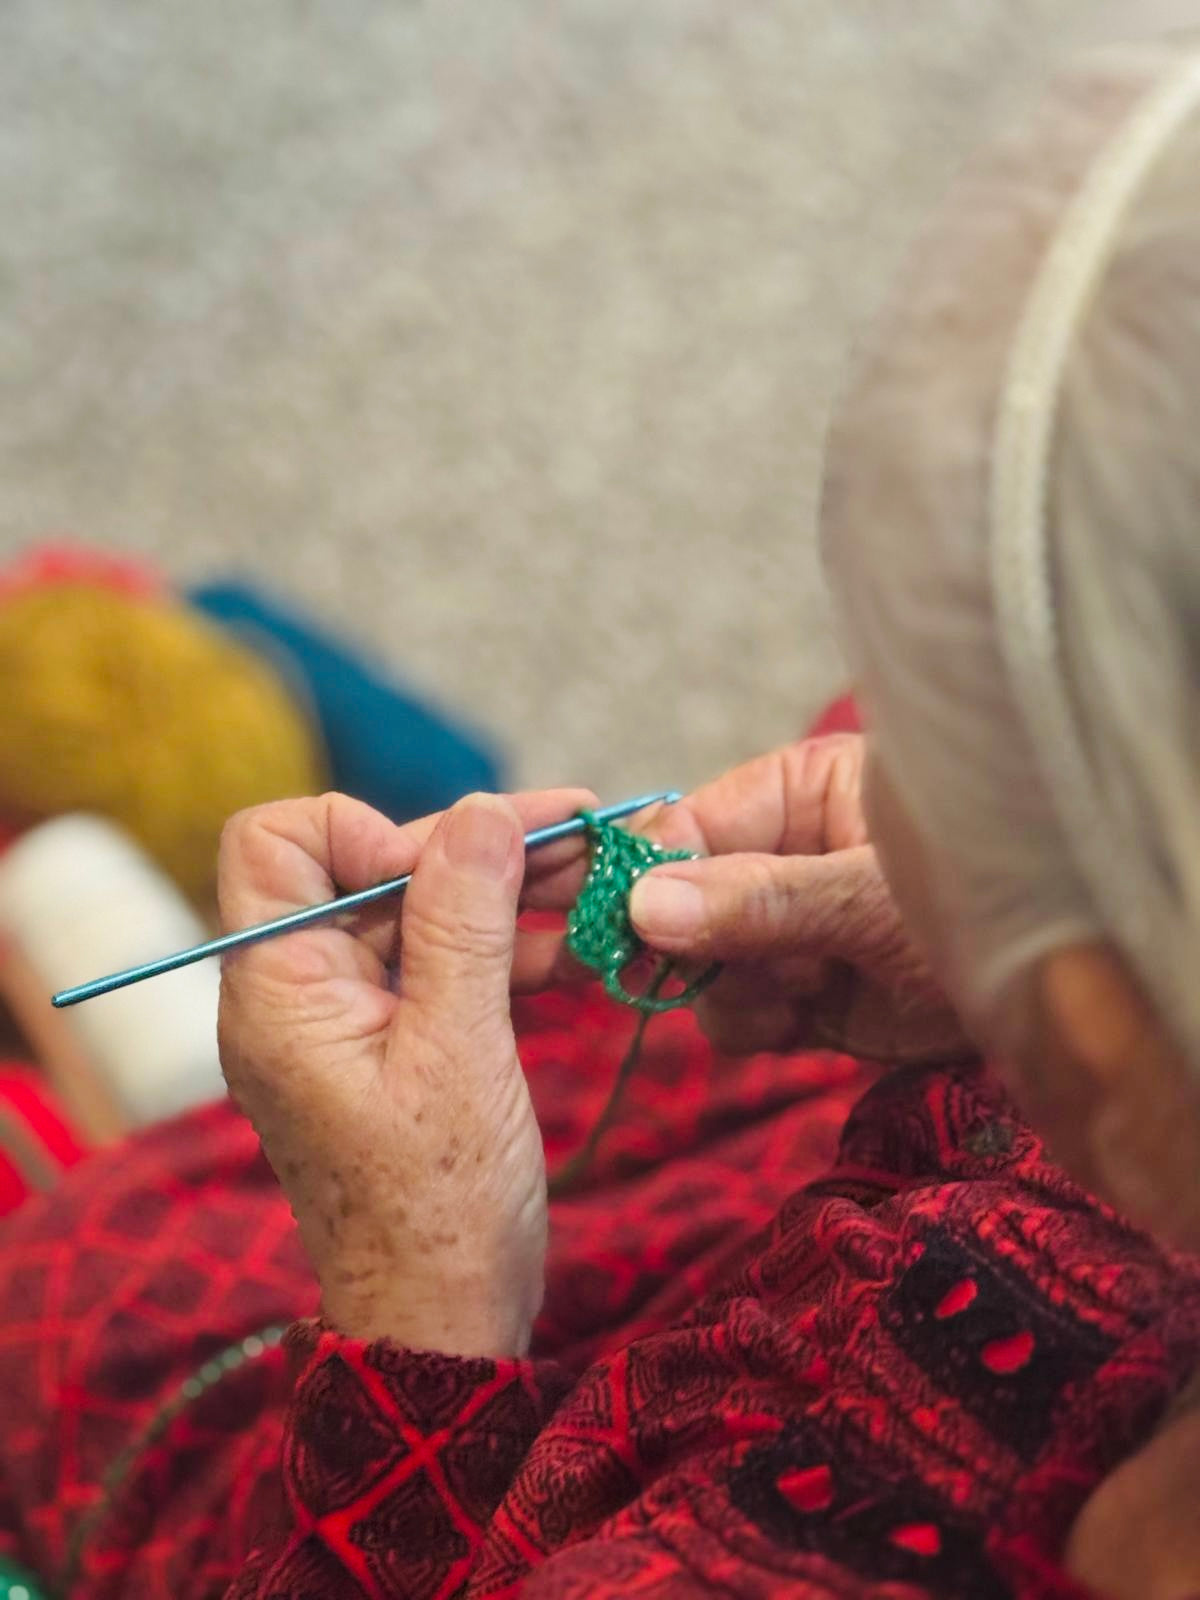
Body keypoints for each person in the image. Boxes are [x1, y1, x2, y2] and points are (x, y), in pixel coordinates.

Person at [4, 29, 1200, 1600]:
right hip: (795, 1154)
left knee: (52, 1291)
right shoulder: (1077, 1069)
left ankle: (152, 1068)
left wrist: (413, 1305)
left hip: (418, 1420)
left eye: (925, 742)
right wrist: (980, 964)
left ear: (1109, 1037)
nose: (864, 735)